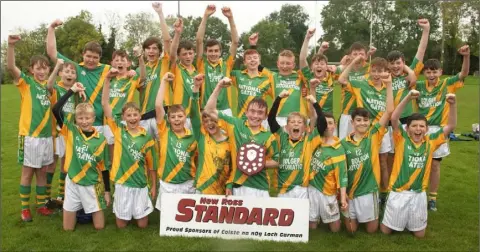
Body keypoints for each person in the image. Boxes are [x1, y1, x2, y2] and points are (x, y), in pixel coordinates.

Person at [380, 90, 457, 238]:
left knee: (419, 235)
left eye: (422, 126)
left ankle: (409, 219)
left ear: (426, 129)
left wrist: (453, 105)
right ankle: (393, 215)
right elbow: (395, 118)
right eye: (414, 126)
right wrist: (408, 97)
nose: (418, 129)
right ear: (407, 129)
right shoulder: (401, 139)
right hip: (398, 192)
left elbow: (451, 125)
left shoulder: (431, 141)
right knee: (386, 232)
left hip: (418, 194)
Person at [415, 45, 470, 211]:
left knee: (435, 166)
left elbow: (464, 74)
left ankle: (432, 197)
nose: (431, 75)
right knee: (418, 163)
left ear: (440, 71)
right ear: (424, 73)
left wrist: (466, 57)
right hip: (420, 130)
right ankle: (417, 193)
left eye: (434, 71)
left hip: (440, 130)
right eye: (428, 72)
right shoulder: (418, 85)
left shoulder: (447, 83)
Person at [7, 34, 56, 221]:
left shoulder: (50, 87)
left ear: (49, 69)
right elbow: (11, 67)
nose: (41, 72)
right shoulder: (27, 84)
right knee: (27, 173)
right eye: (38, 69)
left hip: (45, 137)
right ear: (31, 70)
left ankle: (42, 205)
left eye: (44, 68)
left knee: (42, 172)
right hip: (29, 136)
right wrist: (11, 47)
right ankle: (24, 208)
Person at [101, 68, 158, 229]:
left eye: (135, 115)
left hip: (140, 184)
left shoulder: (146, 137)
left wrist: (153, 186)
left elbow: (152, 165)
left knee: (142, 225)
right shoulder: (119, 129)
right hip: (122, 182)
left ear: (140, 116)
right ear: (124, 117)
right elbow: (105, 104)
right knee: (121, 225)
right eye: (129, 115)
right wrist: (106, 80)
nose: (132, 118)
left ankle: (139, 209)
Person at [204, 77, 279, 197]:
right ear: (246, 113)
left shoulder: (268, 137)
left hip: (261, 187)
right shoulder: (235, 125)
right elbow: (209, 110)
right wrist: (218, 87)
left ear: (265, 116)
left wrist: (256, 162)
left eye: (260, 113)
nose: (255, 115)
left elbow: (277, 161)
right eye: (252, 111)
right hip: (239, 185)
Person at [340, 70, 393, 234]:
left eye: (365, 120)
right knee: (351, 230)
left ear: (369, 122)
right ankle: (348, 211)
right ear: (352, 122)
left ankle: (372, 209)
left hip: (369, 191)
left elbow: (389, 111)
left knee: (371, 230)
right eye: (358, 120)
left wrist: (389, 85)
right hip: (351, 192)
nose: (362, 123)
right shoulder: (343, 143)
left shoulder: (374, 134)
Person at [52, 82, 111, 231]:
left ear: (93, 118)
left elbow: (104, 168)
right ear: (76, 120)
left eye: (87, 118)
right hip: (73, 181)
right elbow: (56, 109)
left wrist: (107, 192)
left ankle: (87, 212)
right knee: (67, 229)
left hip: (92, 183)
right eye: (81, 118)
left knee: (99, 227)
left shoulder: (101, 140)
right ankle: (81, 212)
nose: (84, 121)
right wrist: (72, 91)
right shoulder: (71, 131)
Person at [386, 18, 430, 182]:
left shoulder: (408, 77)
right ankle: (389, 186)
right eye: (392, 64)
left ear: (403, 63)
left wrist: (426, 30)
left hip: (406, 120)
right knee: (389, 155)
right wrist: (407, 69)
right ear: (388, 65)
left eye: (398, 63)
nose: (395, 66)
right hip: (387, 121)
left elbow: (421, 52)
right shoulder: (384, 77)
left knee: (404, 152)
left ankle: (404, 180)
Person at [305, 79, 348, 232]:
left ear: (335, 125)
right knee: (312, 226)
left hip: (328, 192)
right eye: (326, 123)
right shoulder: (314, 139)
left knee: (335, 229)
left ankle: (331, 215)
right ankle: (316, 216)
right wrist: (312, 92)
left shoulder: (338, 148)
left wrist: (342, 198)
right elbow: (313, 115)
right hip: (311, 188)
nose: (328, 126)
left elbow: (342, 176)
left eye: (331, 123)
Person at [154, 72, 198, 210]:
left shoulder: (193, 137)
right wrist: (163, 81)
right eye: (173, 117)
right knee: (168, 221)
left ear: (186, 118)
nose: (177, 119)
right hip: (168, 183)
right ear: (168, 119)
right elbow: (158, 106)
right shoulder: (164, 132)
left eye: (180, 116)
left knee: (187, 220)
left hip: (188, 182)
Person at [45, 59, 82, 208]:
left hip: (69, 134)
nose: (70, 74)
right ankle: (46, 196)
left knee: (65, 166)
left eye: (73, 72)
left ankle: (62, 194)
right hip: (55, 133)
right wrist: (56, 67)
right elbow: (48, 85)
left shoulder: (76, 92)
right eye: (66, 71)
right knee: (51, 165)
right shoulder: (56, 87)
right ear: (60, 73)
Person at [190, 74, 232, 195]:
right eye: (205, 121)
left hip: (222, 192)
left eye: (213, 120)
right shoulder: (202, 137)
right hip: (202, 189)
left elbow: (233, 168)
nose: (209, 123)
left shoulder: (230, 141)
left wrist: (229, 185)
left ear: (220, 121)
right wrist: (196, 88)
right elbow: (193, 114)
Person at [196, 4, 239, 115]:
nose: (213, 54)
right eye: (210, 51)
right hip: (206, 108)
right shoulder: (202, 64)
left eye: (216, 51)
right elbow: (199, 40)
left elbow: (235, 42)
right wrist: (205, 16)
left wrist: (230, 18)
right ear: (205, 52)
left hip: (225, 110)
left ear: (220, 52)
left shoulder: (227, 64)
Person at [267, 90, 311, 198]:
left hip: (302, 189)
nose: (296, 123)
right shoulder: (281, 137)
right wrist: (279, 98)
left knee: (301, 215)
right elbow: (271, 118)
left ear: (305, 128)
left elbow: (319, 122)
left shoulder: (308, 140)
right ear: (286, 127)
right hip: (283, 189)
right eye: (292, 122)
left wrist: (313, 102)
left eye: (299, 122)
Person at [103, 48, 146, 159]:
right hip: (110, 119)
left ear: (128, 63)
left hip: (126, 120)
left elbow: (143, 77)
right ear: (112, 63)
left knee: (127, 150)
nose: (119, 62)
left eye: (123, 60)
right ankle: (113, 175)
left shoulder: (133, 77)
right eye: (116, 60)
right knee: (112, 152)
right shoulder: (109, 78)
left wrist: (140, 58)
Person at [138, 2, 172, 140]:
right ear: (144, 51)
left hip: (161, 111)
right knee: (145, 152)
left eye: (154, 48)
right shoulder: (140, 69)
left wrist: (160, 13)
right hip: (144, 113)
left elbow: (167, 40)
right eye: (148, 48)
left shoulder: (163, 64)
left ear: (159, 51)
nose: (151, 51)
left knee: (162, 149)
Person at [229, 33, 274, 126]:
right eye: (249, 58)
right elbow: (225, 67)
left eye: (255, 58)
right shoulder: (237, 75)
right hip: (241, 120)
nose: (252, 60)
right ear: (244, 62)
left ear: (259, 61)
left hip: (259, 122)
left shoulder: (266, 79)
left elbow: (278, 94)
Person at [334, 42, 375, 139]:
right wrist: (350, 63)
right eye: (355, 54)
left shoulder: (370, 68)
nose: (358, 57)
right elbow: (339, 80)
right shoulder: (342, 69)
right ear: (349, 56)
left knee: (364, 143)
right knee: (345, 143)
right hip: (347, 114)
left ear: (366, 56)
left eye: (361, 54)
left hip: (365, 114)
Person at [170, 18, 198, 129]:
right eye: (184, 54)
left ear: (194, 54)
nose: (188, 56)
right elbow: (172, 54)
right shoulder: (176, 69)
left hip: (196, 116)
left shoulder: (197, 72)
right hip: (180, 117)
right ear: (179, 56)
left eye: (190, 53)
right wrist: (177, 33)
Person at [299, 28, 336, 115]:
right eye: (316, 64)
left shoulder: (331, 76)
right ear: (312, 67)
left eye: (322, 64)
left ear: (326, 67)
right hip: (311, 117)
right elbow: (302, 58)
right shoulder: (309, 76)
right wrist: (307, 38)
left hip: (327, 117)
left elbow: (345, 64)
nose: (319, 65)